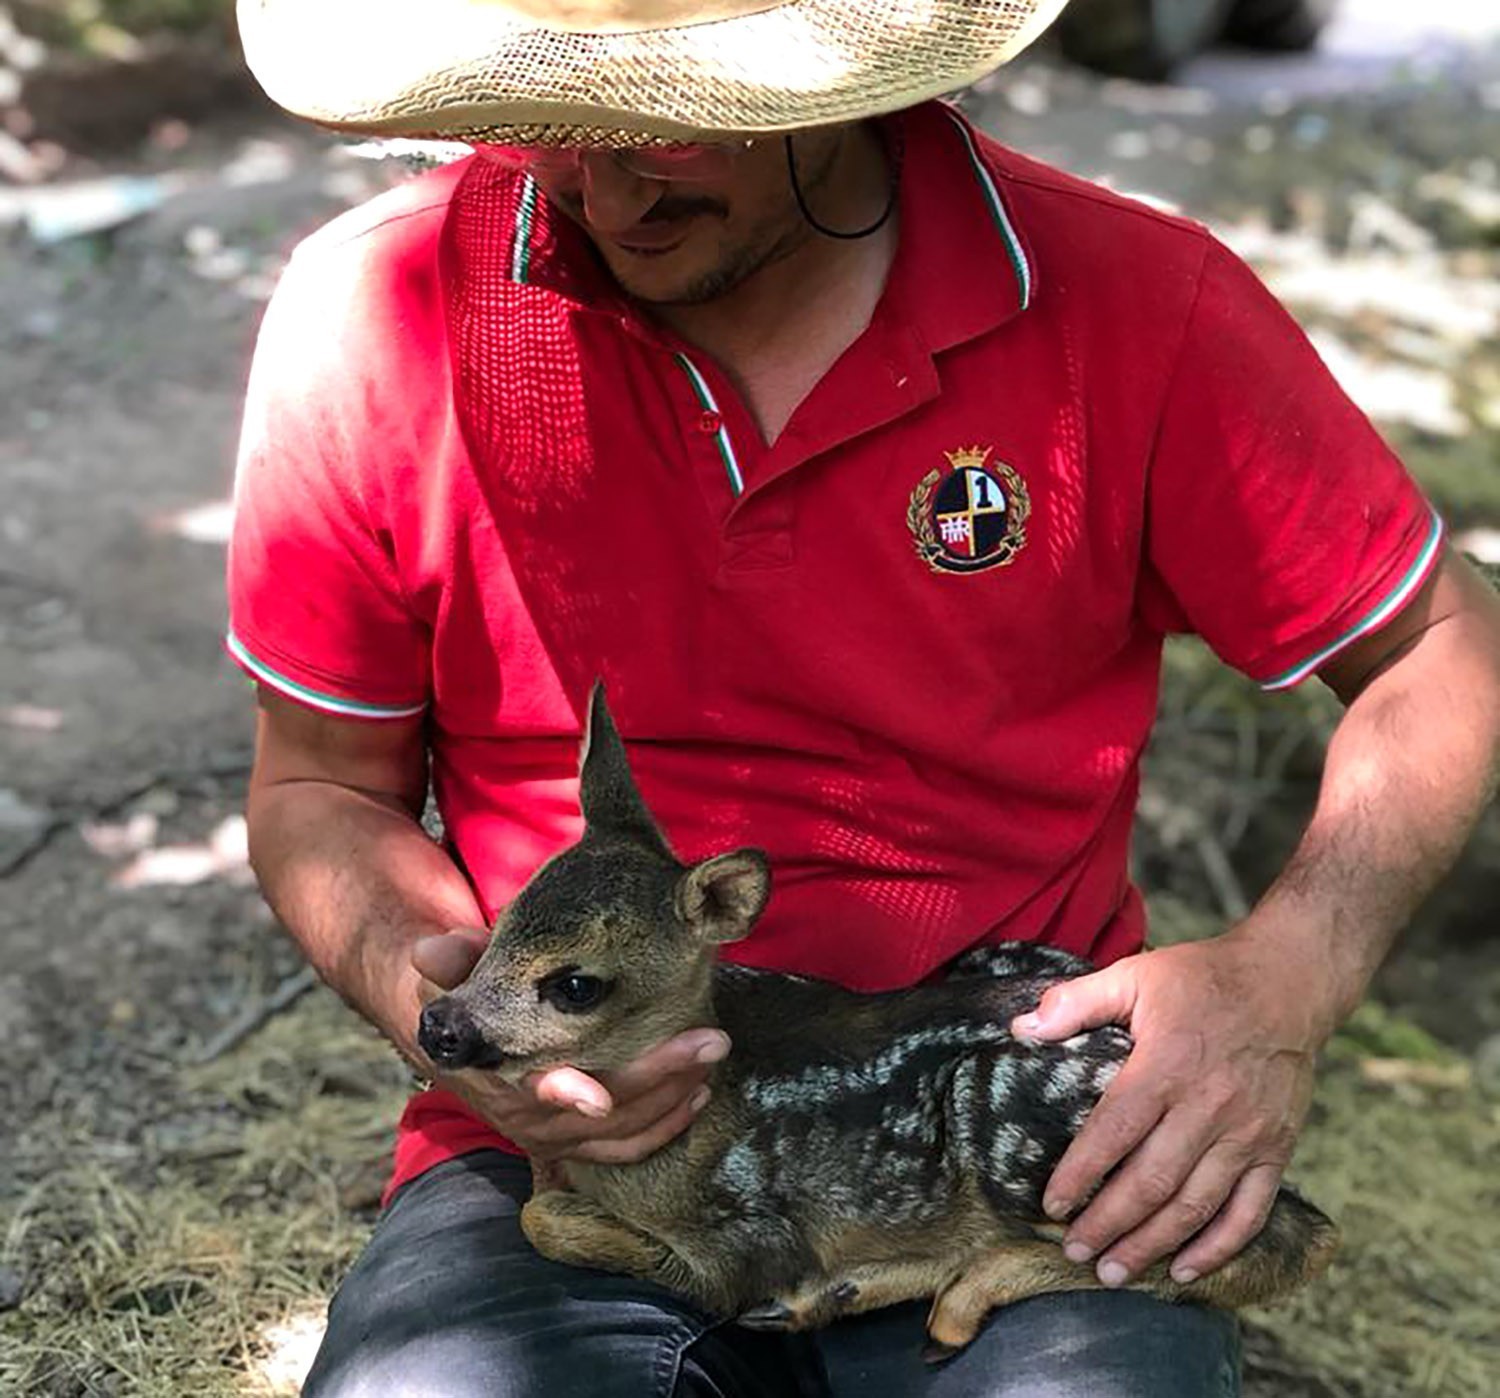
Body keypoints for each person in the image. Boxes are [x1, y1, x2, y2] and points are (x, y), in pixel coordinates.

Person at [227, 1, 1500, 1393]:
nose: (602, 190)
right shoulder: (380, 306)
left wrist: (1286, 977)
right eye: (548, 123)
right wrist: (431, 1000)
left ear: (842, 73)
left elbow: (1443, 647)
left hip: (999, 1130)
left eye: (663, 124)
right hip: (571, 1146)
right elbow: (320, 786)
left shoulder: (1133, 304)